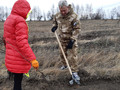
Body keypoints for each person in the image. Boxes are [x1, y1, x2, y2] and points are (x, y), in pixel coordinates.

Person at [3, 0, 39, 90]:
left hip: (11, 57)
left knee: (16, 81)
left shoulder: (9, 18)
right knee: (18, 83)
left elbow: (5, 39)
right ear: (23, 10)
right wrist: (32, 59)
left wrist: (9, 50)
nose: (28, 14)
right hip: (18, 58)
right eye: (28, 12)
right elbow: (22, 42)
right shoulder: (20, 21)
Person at [51, 0, 81, 80]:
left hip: (71, 39)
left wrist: (72, 39)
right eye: (61, 10)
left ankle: (74, 72)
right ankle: (65, 65)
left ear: (68, 7)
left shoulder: (74, 16)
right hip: (62, 39)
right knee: (62, 54)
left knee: (73, 56)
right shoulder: (57, 15)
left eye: (64, 10)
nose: (63, 12)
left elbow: (77, 29)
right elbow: (54, 22)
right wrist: (54, 26)